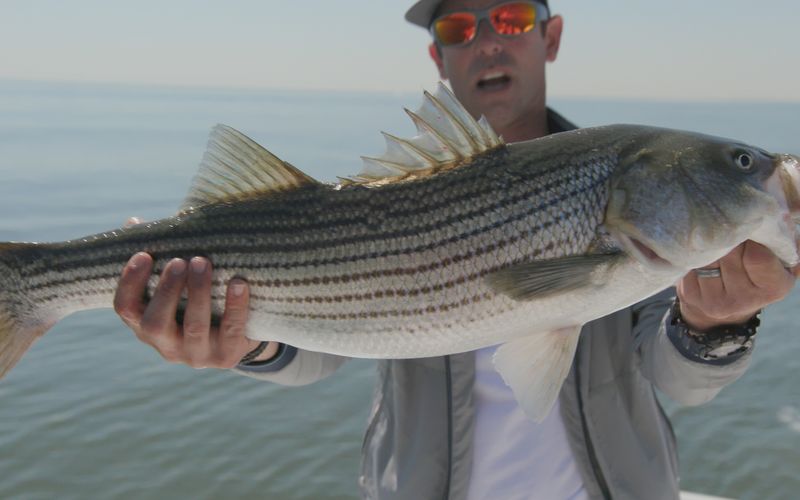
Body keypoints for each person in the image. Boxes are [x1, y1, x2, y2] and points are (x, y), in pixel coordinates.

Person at [112, 1, 799, 498]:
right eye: (458, 27)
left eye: (509, 19)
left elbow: (679, 377)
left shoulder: (631, 212)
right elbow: (321, 344)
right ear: (436, 53)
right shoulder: (383, 198)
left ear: (549, 35)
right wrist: (245, 342)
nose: (487, 43)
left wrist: (717, 322)